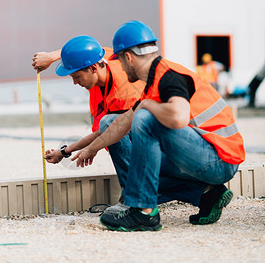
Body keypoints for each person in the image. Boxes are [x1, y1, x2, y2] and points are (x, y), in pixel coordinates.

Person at [70, 21, 245, 232]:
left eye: (121, 62)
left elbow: (178, 117)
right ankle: (205, 194)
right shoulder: (153, 83)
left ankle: (144, 212)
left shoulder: (169, 77)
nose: (121, 69)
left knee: (145, 118)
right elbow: (122, 124)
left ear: (129, 57)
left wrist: (147, 106)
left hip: (219, 160)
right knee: (136, 151)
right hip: (207, 155)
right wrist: (90, 148)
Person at [35, 36, 145, 210]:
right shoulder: (103, 60)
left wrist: (76, 150)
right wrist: (51, 57)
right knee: (108, 123)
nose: (75, 82)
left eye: (77, 76)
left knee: (109, 123)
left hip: (163, 141)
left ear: (93, 68)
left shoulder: (123, 92)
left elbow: (107, 132)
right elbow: (86, 46)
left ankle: (136, 198)